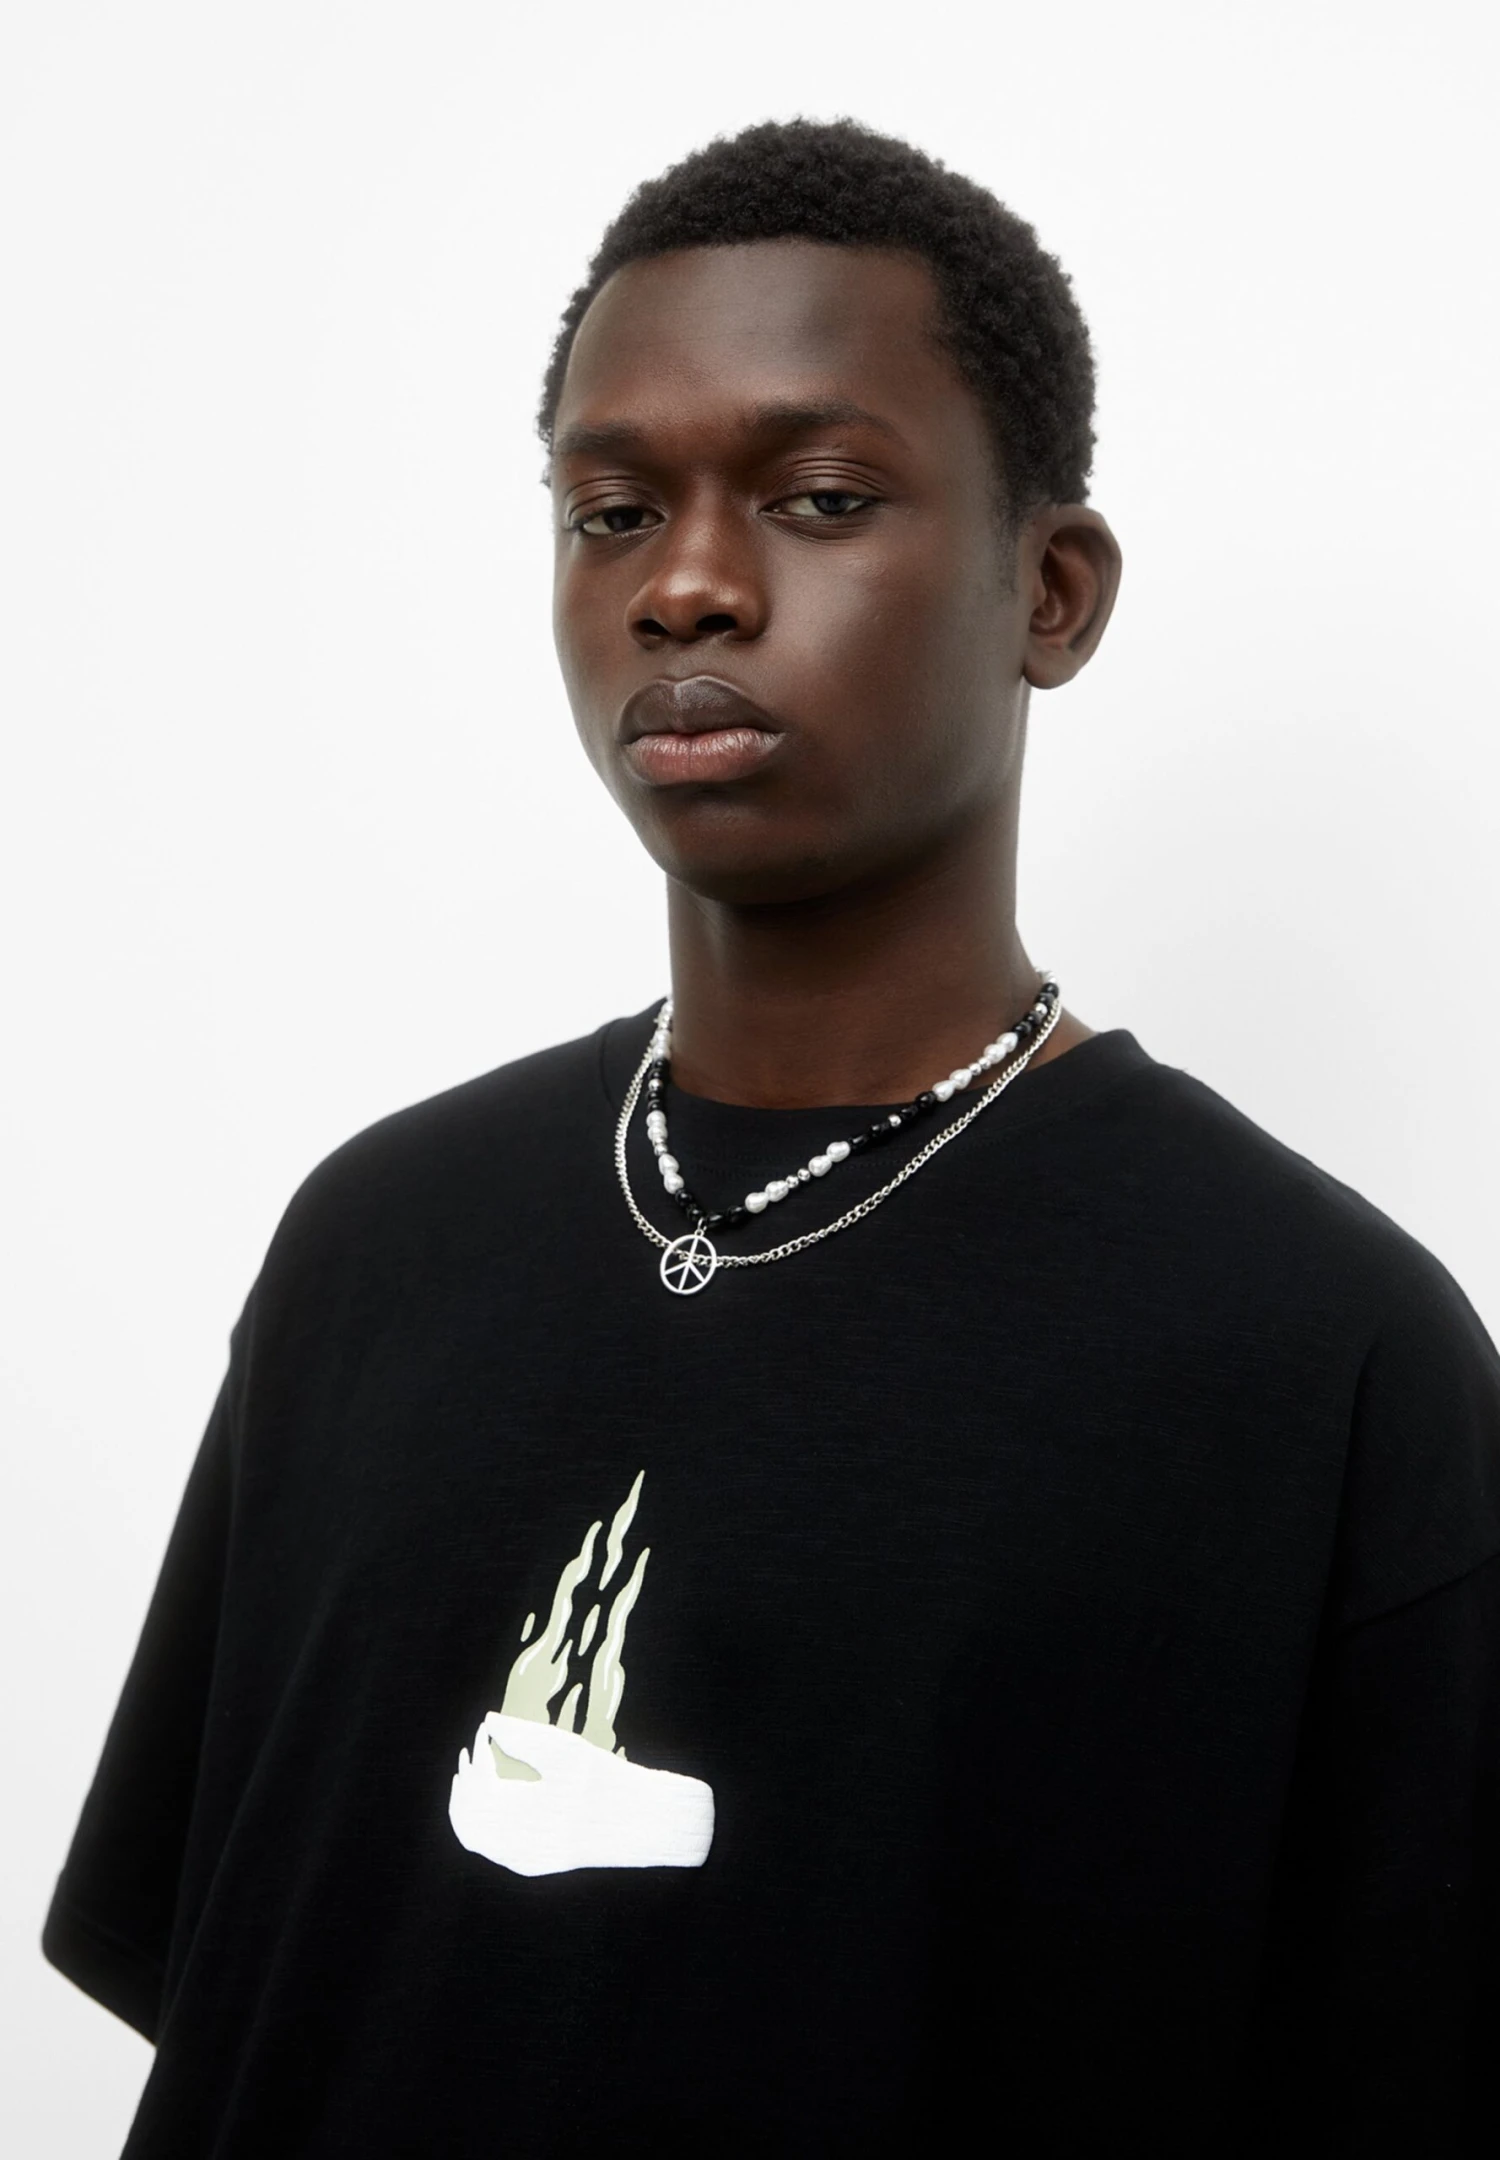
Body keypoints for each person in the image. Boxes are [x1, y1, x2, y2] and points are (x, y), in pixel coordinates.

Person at [42, 117, 1499, 2157]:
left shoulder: (1320, 1355)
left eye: (818, 498)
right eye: (612, 512)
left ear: (1051, 590)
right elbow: (254, 1973)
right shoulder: (379, 1242)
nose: (690, 587)